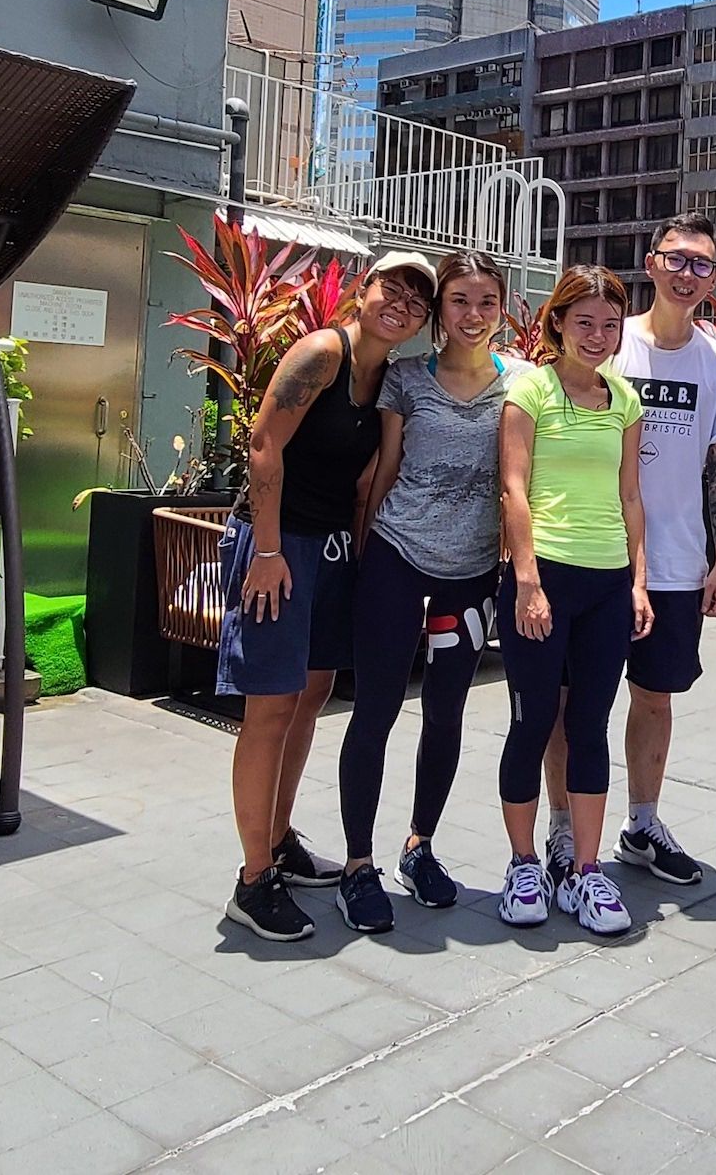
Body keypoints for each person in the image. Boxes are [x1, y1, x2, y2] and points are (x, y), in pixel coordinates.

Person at [217, 250, 435, 942]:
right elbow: (262, 445)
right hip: (279, 547)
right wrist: (271, 551)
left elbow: (366, 482)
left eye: (417, 298)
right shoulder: (322, 352)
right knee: (271, 707)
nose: (401, 303)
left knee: (311, 695)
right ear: (361, 293)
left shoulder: (389, 379)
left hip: (331, 548)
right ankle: (253, 881)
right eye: (390, 288)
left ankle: (278, 840)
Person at [538, 214, 716, 890]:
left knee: (655, 697)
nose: (688, 275)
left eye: (702, 265)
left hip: (679, 564)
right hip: (590, 559)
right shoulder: (607, 342)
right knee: (573, 704)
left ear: (714, 279)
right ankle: (566, 828)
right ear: (651, 264)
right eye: (676, 260)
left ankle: (642, 822)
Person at [333, 251, 532, 933]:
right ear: (439, 312)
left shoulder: (523, 384)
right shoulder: (406, 379)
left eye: (486, 302)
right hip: (396, 560)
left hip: (472, 575)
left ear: (501, 308)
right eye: (458, 302)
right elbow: (381, 474)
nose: (472, 316)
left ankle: (420, 846)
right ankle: (357, 867)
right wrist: (362, 560)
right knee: (376, 713)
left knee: (445, 715)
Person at [497, 266, 652, 935]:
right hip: (545, 578)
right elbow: (513, 488)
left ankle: (586, 873)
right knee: (532, 726)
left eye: (610, 324)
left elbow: (629, 496)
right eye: (583, 321)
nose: (597, 335)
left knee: (589, 726)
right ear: (557, 323)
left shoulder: (624, 398)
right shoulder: (529, 389)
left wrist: (639, 581)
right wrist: (527, 580)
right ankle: (525, 863)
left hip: (606, 581)